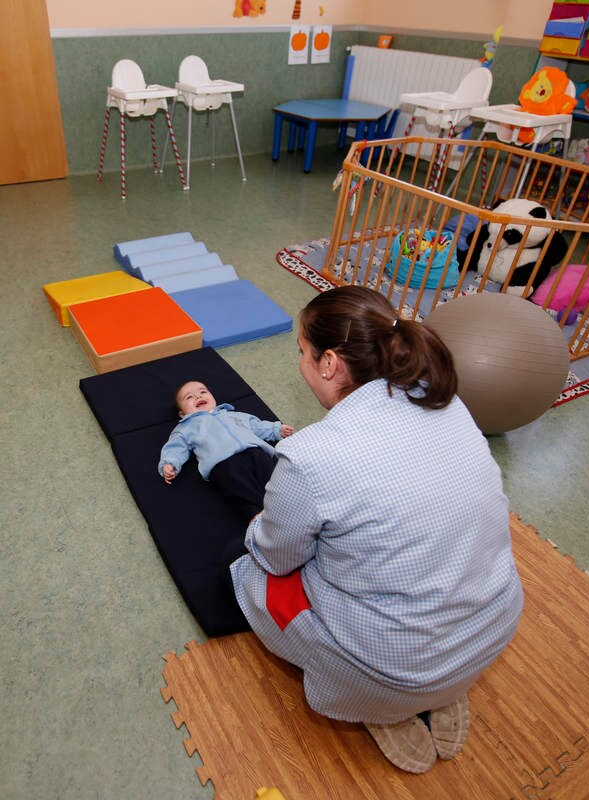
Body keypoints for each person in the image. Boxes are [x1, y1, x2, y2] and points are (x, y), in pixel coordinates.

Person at [228, 286, 523, 774]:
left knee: (252, 576)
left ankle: (383, 705)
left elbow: (277, 557)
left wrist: (260, 525)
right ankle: (444, 685)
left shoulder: (312, 456)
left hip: (394, 667)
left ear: (328, 363)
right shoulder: (446, 403)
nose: (299, 363)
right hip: (491, 629)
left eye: (301, 352)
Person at [159, 380, 293, 522]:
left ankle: (290, 505)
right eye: (189, 397)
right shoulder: (186, 427)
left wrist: (275, 430)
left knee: (275, 478)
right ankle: (256, 518)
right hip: (223, 463)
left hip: (255, 452)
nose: (198, 397)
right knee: (240, 491)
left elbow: (256, 426)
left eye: (203, 392)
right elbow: (175, 446)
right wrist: (170, 463)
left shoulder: (233, 415)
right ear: (181, 413)